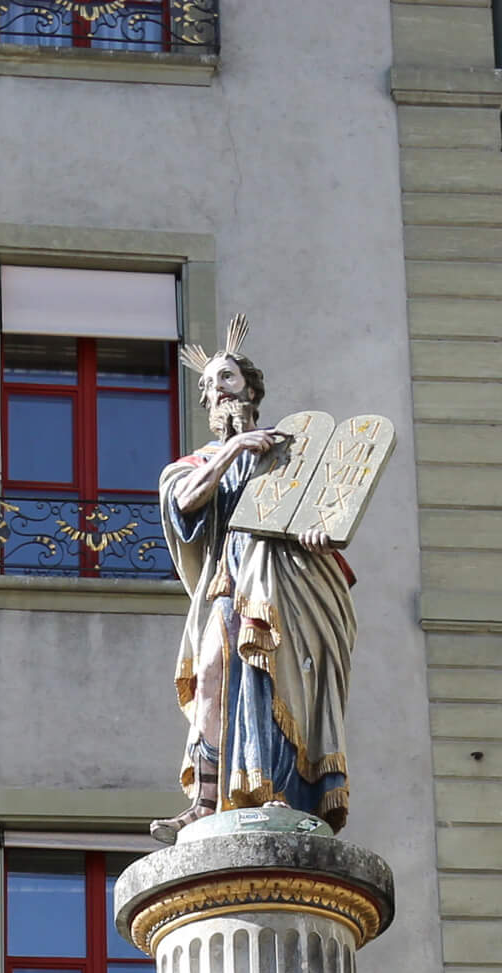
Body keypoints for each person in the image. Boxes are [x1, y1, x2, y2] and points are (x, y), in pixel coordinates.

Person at [157, 324, 355, 833]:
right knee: (212, 675)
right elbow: (183, 502)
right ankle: (205, 798)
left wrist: (317, 537)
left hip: (289, 584)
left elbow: (322, 513)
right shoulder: (201, 461)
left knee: (281, 679)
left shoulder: (291, 456)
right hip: (229, 580)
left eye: (228, 375)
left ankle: (280, 790)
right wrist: (233, 450)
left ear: (250, 388)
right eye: (210, 382)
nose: (219, 386)